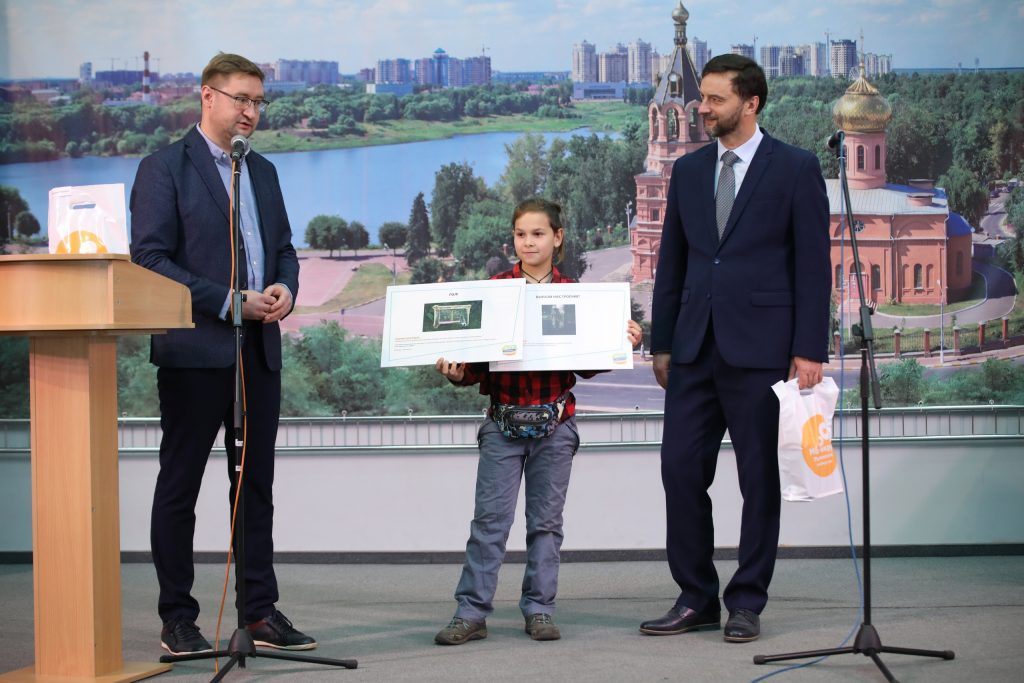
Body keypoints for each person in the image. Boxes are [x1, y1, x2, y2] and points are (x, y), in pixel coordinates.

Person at [641, 54, 831, 643]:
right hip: (693, 350)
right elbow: (673, 263)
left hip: (763, 353)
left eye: (715, 99)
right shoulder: (689, 171)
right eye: (702, 97)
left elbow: (813, 267)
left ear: (751, 104)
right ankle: (695, 597)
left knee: (759, 482)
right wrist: (662, 342)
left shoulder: (795, 168)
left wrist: (808, 349)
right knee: (679, 472)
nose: (703, 108)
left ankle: (746, 601)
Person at [130, 52, 314, 656]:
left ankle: (258, 612)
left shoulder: (262, 170)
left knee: (254, 486)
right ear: (207, 97)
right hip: (194, 354)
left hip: (257, 354)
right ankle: (178, 617)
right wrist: (230, 302)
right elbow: (150, 260)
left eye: (258, 101)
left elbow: (283, 249)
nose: (251, 112)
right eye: (241, 99)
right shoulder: (164, 168)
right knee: (179, 487)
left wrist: (285, 287)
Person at [434, 198, 642, 645]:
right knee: (489, 523)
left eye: (538, 234)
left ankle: (540, 609)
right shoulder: (494, 291)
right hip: (502, 424)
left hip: (556, 426)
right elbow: (475, 367)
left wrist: (618, 342)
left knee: (546, 525)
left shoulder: (575, 293)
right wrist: (457, 373)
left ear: (557, 237)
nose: (528, 242)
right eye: (520, 234)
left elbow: (585, 366)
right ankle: (471, 613)